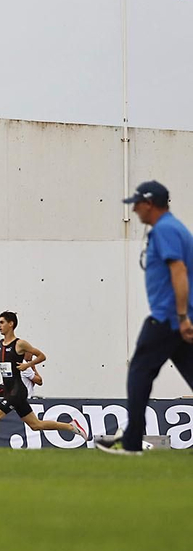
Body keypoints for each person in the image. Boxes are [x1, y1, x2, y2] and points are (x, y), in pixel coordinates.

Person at [96, 181, 193, 455]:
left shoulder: (165, 230)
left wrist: (182, 317)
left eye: (137, 204)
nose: (135, 210)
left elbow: (179, 271)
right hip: (178, 320)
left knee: (139, 372)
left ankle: (131, 443)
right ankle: (130, 439)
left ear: (149, 204)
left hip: (167, 319)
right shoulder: (175, 228)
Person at [0, 311, 86, 448]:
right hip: (9, 391)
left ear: (11, 324)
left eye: (2, 322)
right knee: (36, 425)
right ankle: (71, 426)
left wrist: (27, 365)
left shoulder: (20, 344)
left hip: (17, 391)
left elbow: (41, 356)